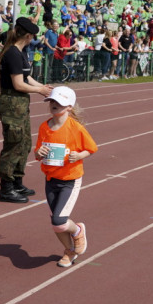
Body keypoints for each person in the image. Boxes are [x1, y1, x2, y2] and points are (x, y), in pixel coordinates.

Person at [33, 86, 98, 268]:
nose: (54, 105)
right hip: (50, 179)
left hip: (70, 179)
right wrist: (39, 152)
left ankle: (77, 230)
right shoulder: (44, 127)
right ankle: (69, 251)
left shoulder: (75, 128)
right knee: (56, 223)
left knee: (59, 221)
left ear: (69, 106)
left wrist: (79, 156)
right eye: (52, 101)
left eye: (59, 102)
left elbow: (92, 148)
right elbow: (37, 154)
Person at [0, 17, 53, 204]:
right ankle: (7, 187)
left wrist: (45, 88)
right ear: (28, 36)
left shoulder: (19, 52)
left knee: (25, 143)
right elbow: (18, 84)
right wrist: (40, 90)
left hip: (19, 103)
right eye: (32, 37)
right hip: (12, 101)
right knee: (13, 144)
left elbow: (27, 78)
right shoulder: (12, 53)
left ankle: (17, 181)